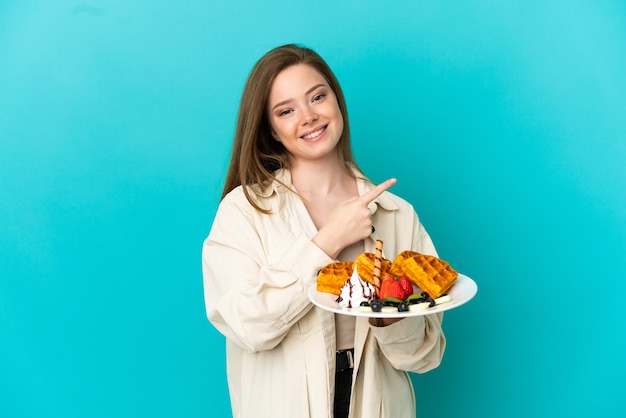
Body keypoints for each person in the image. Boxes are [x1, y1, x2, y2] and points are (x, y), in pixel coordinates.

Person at [202, 44, 445, 418]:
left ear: (337, 101)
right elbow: (248, 326)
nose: (309, 116)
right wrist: (327, 241)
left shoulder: (397, 214)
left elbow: (423, 355)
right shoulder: (243, 211)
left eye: (318, 96)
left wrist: (389, 315)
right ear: (272, 129)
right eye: (286, 110)